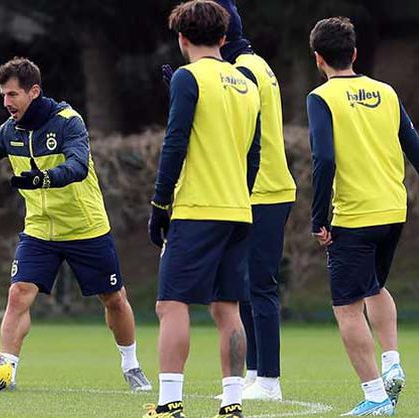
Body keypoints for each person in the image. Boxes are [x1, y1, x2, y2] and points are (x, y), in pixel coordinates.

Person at [0, 57, 152, 392]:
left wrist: (44, 178)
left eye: (13, 95)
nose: (7, 102)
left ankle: (131, 365)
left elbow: (77, 166)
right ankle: (6, 374)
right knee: (18, 294)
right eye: (3, 95)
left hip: (85, 227)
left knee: (114, 299)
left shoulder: (68, 122)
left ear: (34, 91)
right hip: (39, 230)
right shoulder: (10, 131)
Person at [145, 1, 261, 417]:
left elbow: (175, 142)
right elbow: (254, 154)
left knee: (171, 304)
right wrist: (240, 194)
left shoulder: (187, 77)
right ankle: (232, 403)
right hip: (238, 208)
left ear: (182, 38)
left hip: (197, 207)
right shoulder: (247, 82)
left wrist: (160, 203)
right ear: (224, 38)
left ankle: (169, 402)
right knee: (228, 308)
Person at [307, 16, 417, 416]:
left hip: (355, 216)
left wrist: (319, 218)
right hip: (393, 209)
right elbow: (414, 147)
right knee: (374, 287)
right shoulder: (386, 92)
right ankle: (392, 361)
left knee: (347, 306)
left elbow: (324, 159)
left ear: (318, 58)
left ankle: (375, 397)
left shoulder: (321, 97)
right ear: (354, 53)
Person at [213, 0, 295, 400]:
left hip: (264, 189)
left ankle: (270, 380)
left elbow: (235, 131)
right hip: (258, 190)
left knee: (260, 285)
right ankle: (254, 372)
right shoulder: (254, 62)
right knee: (244, 285)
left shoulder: (242, 70)